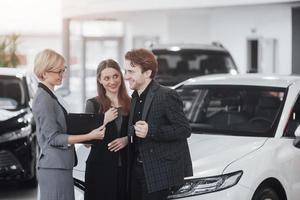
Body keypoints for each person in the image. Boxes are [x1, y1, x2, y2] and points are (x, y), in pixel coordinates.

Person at [32, 49, 105, 200]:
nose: (61, 75)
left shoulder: (50, 95)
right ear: (44, 73)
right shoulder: (44, 99)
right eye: (58, 71)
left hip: (59, 165)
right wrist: (88, 136)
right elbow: (53, 138)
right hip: (54, 167)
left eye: (63, 70)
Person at [124, 48, 193, 200]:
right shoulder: (135, 97)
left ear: (147, 73)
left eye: (131, 72)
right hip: (136, 169)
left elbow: (184, 129)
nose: (126, 77)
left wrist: (152, 131)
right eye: (126, 71)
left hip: (158, 174)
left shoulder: (166, 95)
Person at [84, 59, 131, 200]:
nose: (112, 81)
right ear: (100, 80)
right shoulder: (93, 104)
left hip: (126, 169)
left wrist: (127, 139)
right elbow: (86, 142)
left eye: (115, 76)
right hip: (100, 169)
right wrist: (103, 119)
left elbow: (137, 133)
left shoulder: (131, 103)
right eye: (107, 78)